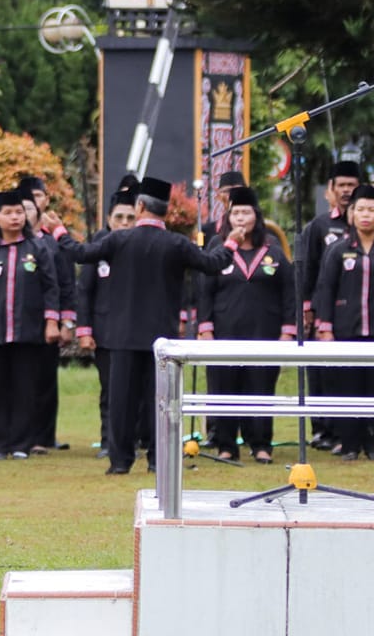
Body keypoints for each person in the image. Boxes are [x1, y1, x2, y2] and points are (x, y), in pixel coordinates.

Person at [48, 177, 231, 476]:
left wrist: (57, 230)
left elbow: (80, 254)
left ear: (141, 206)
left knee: (121, 402)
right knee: (161, 402)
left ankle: (120, 461)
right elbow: (213, 264)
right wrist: (232, 239)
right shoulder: (176, 243)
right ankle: (159, 460)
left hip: (122, 334)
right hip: (162, 337)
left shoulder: (119, 239)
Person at [310, 184, 374, 459]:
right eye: (360, 209)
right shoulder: (337, 251)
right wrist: (325, 327)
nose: (365, 215)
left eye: (372, 209)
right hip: (346, 330)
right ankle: (350, 445)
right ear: (351, 214)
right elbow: (325, 290)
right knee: (347, 391)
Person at [196, 187, 298, 463]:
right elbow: (205, 290)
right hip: (225, 333)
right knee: (223, 389)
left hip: (263, 333)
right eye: (236, 212)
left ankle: (261, 444)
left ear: (256, 216)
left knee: (261, 388)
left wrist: (288, 331)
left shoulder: (273, 252)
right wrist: (205, 327)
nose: (241, 218)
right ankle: (226, 445)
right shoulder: (218, 250)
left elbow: (289, 293)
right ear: (228, 218)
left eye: (246, 212)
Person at [0, 190, 61, 458]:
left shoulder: (38, 249)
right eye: (8, 213)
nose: (15, 217)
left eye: (19, 212)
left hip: (28, 332)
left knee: (25, 388)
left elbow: (51, 288)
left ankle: (21, 444)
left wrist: (52, 322)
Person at [296, 159, 361, 453]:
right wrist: (307, 308)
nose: (347, 191)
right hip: (323, 312)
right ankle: (322, 428)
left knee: (351, 373)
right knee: (321, 373)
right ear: (330, 191)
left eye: (352, 186)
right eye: (342, 186)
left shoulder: (366, 223)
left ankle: (352, 428)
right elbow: (307, 269)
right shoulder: (319, 226)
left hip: (357, 313)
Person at [76, 185, 141, 454]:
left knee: (138, 391)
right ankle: (109, 441)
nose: (124, 223)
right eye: (119, 218)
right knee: (110, 390)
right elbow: (85, 290)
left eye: (130, 218)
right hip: (105, 331)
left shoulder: (144, 246)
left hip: (138, 330)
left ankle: (137, 440)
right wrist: (84, 329)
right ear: (109, 219)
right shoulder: (99, 247)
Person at [18, 175, 71, 451]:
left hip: (47, 321)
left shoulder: (52, 242)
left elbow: (65, 284)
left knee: (46, 380)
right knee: (20, 381)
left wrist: (66, 321)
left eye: (35, 201)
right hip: (18, 321)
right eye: (22, 206)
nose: (27, 211)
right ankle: (21, 436)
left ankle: (45, 436)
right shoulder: (4, 243)